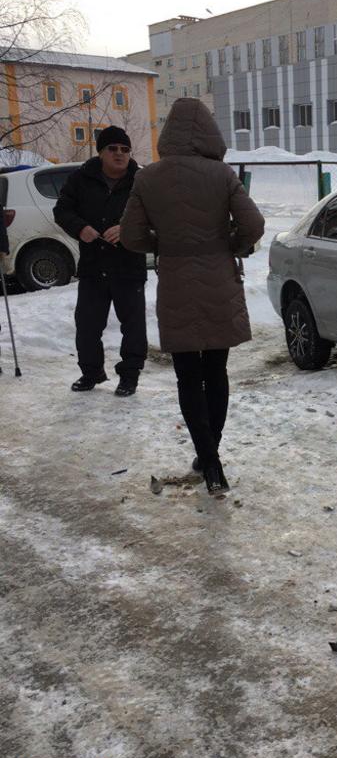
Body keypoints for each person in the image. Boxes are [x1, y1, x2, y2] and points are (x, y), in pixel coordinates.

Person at [120, 98, 264, 495]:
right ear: (208, 133)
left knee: (187, 376)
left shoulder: (148, 178)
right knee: (216, 372)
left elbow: (131, 235)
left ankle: (210, 461)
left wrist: (164, 243)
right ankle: (211, 455)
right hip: (219, 278)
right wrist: (232, 244)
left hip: (177, 283)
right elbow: (253, 224)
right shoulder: (222, 175)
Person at [53, 126, 147, 396]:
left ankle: (129, 376)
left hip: (129, 265)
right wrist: (80, 227)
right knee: (87, 324)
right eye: (113, 149)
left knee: (133, 326)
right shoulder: (81, 178)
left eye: (125, 149)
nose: (119, 154)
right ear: (101, 152)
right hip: (94, 265)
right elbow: (62, 210)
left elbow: (155, 217)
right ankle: (91, 372)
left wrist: (127, 229)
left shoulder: (141, 181)